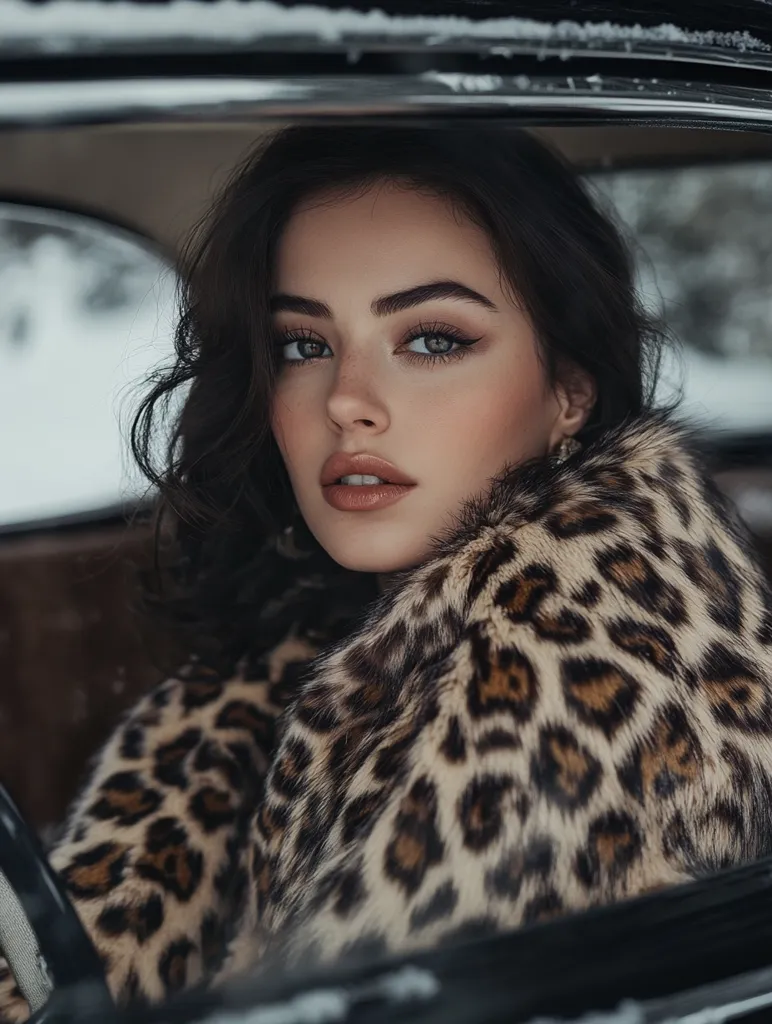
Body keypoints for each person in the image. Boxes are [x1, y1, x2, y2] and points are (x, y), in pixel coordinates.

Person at [2, 124, 772, 1019]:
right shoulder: (293, 663)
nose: (346, 402)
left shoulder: (605, 686)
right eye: (302, 344)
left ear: (570, 390)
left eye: (433, 340)